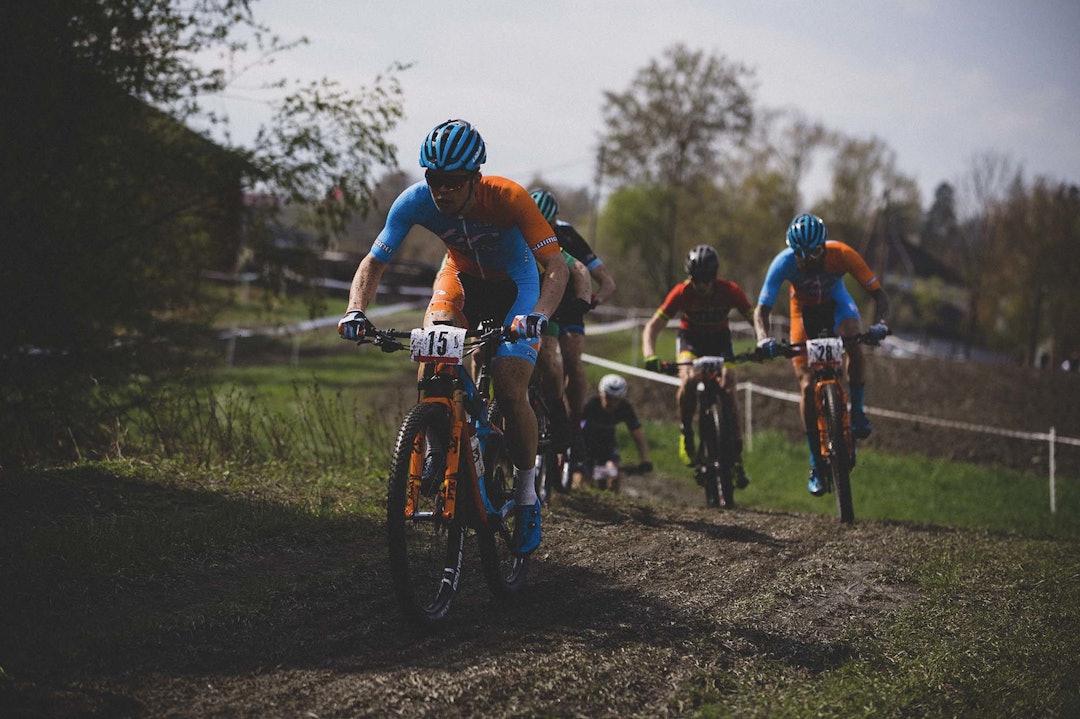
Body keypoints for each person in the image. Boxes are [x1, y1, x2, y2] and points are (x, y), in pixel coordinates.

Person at [338, 119, 568, 555]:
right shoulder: (415, 202)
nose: (441, 191)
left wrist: (538, 315)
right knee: (431, 346)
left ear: (474, 178)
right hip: (460, 280)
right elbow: (374, 261)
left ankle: (525, 495)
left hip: (516, 288)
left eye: (452, 182)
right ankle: (436, 443)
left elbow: (555, 266)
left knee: (510, 379)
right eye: (434, 180)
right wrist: (356, 310)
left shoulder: (509, 198)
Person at [753, 212, 890, 497]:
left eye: (813, 253)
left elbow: (879, 295)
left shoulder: (842, 254)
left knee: (854, 338)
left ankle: (858, 411)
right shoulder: (783, 262)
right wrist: (763, 339)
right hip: (802, 313)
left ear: (823, 246)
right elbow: (761, 310)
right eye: (799, 255)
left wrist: (880, 325)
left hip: (837, 304)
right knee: (805, 384)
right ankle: (816, 464)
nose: (806, 260)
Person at [641, 245, 754, 486]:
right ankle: (686, 431)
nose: (699, 285)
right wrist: (649, 355)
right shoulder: (682, 292)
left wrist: (764, 341)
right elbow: (652, 326)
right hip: (690, 342)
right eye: (695, 279)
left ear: (714, 277)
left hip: (720, 343)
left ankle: (736, 455)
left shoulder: (730, 290)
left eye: (704, 280)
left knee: (730, 389)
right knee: (689, 379)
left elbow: (754, 317)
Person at [529, 188, 617, 466]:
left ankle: (575, 425)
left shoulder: (569, 237)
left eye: (548, 225)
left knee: (571, 360)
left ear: (555, 222)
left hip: (568, 306)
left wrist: (591, 301)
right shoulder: (521, 228)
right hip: (536, 302)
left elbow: (607, 281)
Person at [580, 374, 652, 493]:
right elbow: (575, 429)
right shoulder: (590, 406)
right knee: (582, 484)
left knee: (614, 476)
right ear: (600, 393)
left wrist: (645, 459)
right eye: (608, 398)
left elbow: (637, 435)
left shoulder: (625, 408)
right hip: (585, 448)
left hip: (607, 448)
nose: (612, 403)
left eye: (617, 400)